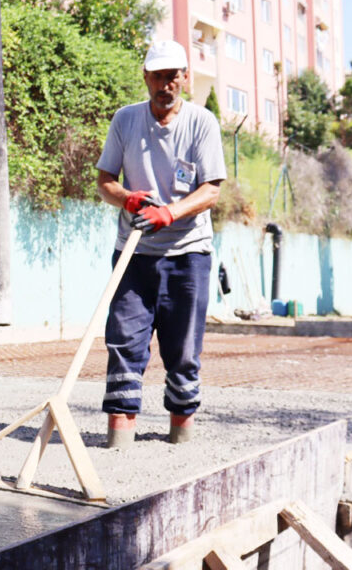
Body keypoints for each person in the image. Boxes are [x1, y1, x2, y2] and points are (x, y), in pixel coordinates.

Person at [94, 39, 227, 448]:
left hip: (188, 252)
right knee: (124, 339)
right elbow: (105, 181)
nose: (165, 85)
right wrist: (127, 198)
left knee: (183, 347)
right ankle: (120, 438)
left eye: (173, 76)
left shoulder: (201, 122)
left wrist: (170, 212)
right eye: (157, 77)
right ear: (146, 78)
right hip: (134, 250)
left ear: (184, 78)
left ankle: (181, 434)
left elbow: (211, 190)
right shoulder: (126, 120)